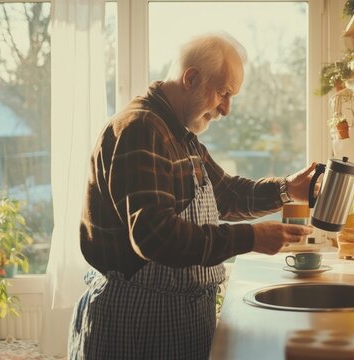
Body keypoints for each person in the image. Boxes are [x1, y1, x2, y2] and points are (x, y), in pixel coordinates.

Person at [68, 32, 315, 359]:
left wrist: (288, 189)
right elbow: (155, 235)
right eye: (224, 93)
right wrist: (249, 238)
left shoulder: (180, 135)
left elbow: (227, 195)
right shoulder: (141, 129)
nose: (226, 109)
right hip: (137, 320)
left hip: (175, 314)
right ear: (192, 78)